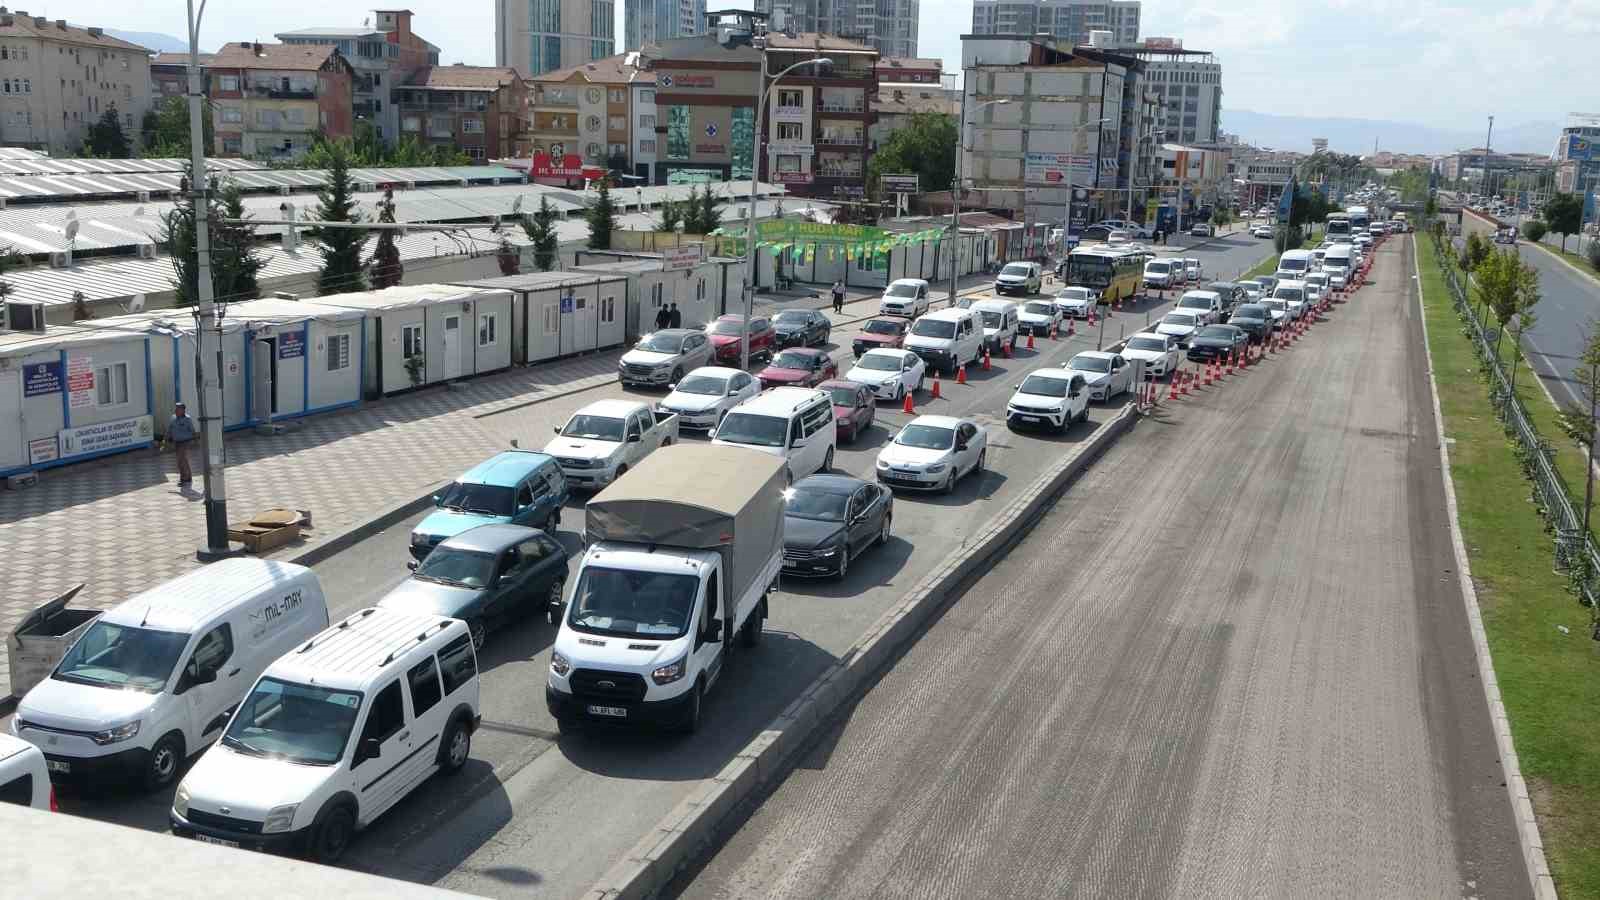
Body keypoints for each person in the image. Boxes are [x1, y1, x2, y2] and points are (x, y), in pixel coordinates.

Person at [165, 402, 196, 486]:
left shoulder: (187, 419)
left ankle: (184, 479)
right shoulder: (173, 418)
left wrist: (194, 440)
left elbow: (193, 431)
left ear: (183, 410)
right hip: (177, 442)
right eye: (176, 408)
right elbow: (169, 429)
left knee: (182, 460)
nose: (176, 410)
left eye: (178, 409)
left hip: (185, 442)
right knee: (181, 461)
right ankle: (188, 477)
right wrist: (166, 439)